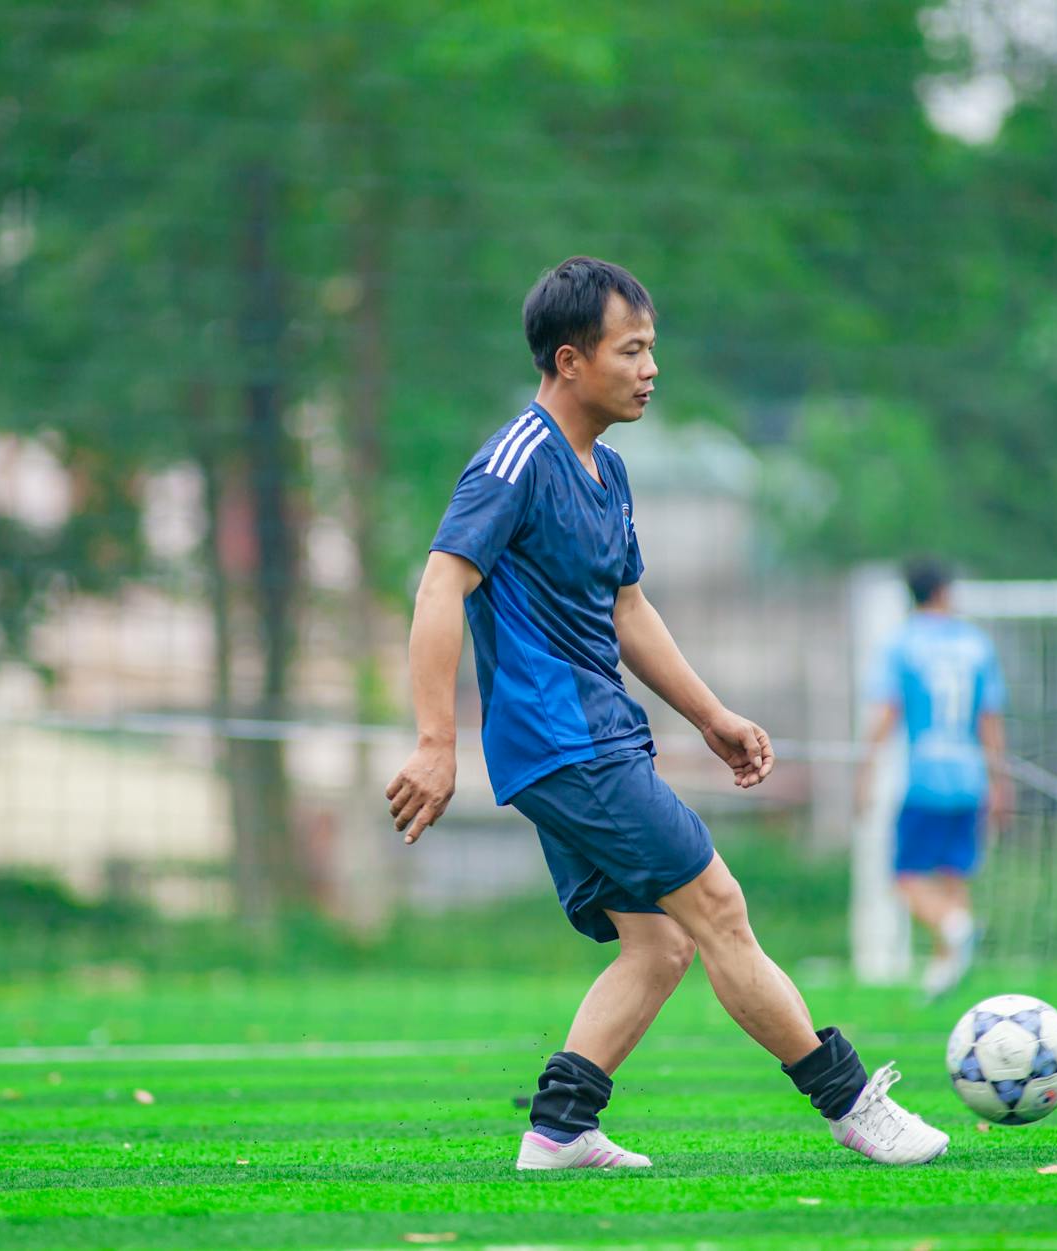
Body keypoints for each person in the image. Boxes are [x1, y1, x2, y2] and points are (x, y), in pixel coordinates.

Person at [385, 257, 948, 1172]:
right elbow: (440, 586)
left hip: (591, 739)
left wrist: (711, 716)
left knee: (660, 942)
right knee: (718, 905)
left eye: (652, 349)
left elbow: (627, 609)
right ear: (571, 360)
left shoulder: (607, 471)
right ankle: (852, 1105)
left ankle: (558, 1130)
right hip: (565, 742)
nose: (651, 369)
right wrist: (435, 742)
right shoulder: (513, 461)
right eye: (632, 350)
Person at [854, 559, 1011, 1000]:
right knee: (953, 875)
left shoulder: (902, 644)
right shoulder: (976, 644)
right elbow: (989, 719)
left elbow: (888, 712)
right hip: (970, 776)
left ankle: (953, 929)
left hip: (926, 777)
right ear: (944, 591)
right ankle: (947, 972)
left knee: (904, 876)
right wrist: (999, 780)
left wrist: (865, 771)